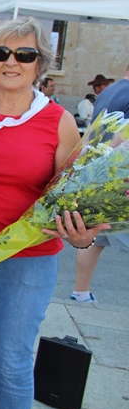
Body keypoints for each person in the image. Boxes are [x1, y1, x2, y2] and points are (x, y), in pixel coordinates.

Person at [0, 17, 110, 409]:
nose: (11, 62)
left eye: (24, 54)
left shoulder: (60, 122)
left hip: (27, 260)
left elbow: (76, 197)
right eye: (1, 53)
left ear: (40, 63)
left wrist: (84, 235)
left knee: (12, 361)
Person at [70, 63, 129, 303]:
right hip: (118, 177)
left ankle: (80, 292)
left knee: (95, 238)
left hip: (96, 171)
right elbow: (123, 139)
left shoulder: (108, 91)